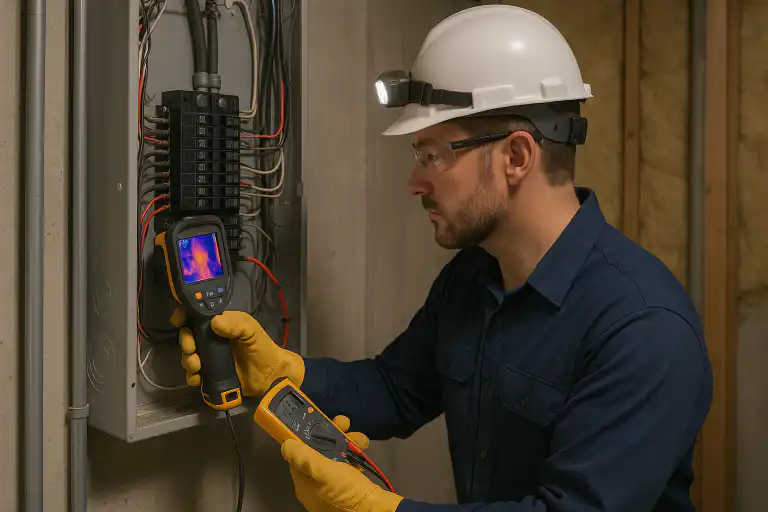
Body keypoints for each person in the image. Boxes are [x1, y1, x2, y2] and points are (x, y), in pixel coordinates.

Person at [174, 5, 713, 511]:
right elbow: (396, 389)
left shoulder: (644, 330)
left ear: (517, 156)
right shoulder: (475, 276)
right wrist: (284, 372)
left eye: (433, 155)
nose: (415, 182)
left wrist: (383, 510)